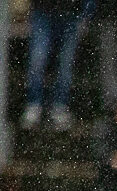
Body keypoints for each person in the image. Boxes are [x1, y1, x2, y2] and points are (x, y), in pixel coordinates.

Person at [20, 0, 89, 131]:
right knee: (38, 60)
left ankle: (59, 105)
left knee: (65, 64)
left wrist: (87, 11)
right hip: (43, 11)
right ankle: (34, 104)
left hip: (70, 13)